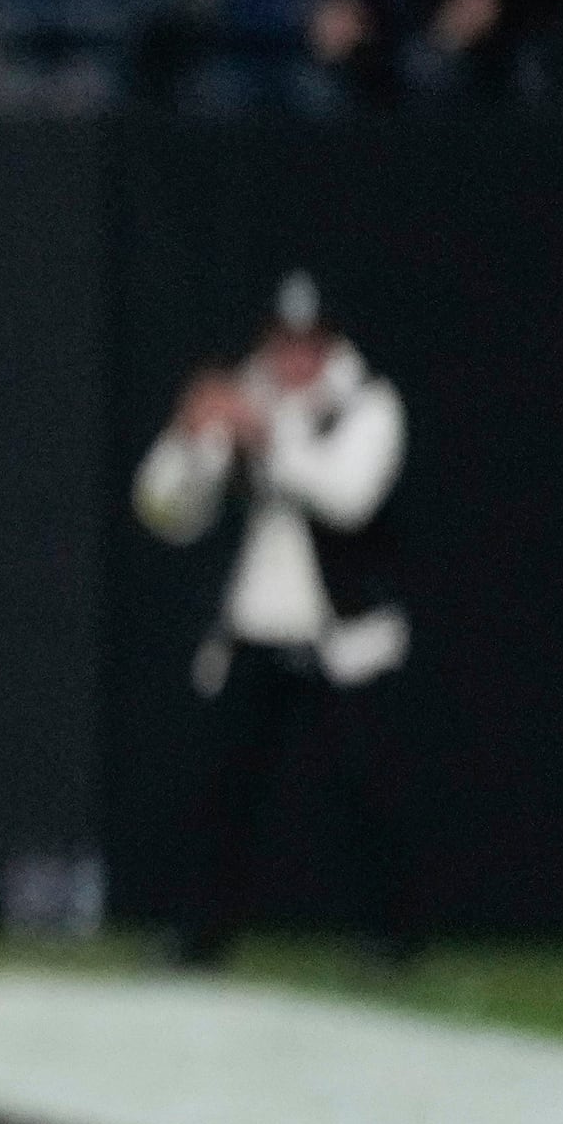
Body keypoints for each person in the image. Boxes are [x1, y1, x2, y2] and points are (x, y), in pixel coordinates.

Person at [133, 269, 417, 965]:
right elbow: (164, 509)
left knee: (364, 792)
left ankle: (388, 936)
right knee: (220, 792)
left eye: (308, 345)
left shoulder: (368, 404)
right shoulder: (242, 396)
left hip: (344, 636)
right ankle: (200, 934)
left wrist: (270, 440)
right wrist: (189, 434)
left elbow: (350, 497)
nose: (294, 361)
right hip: (255, 631)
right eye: (283, 343)